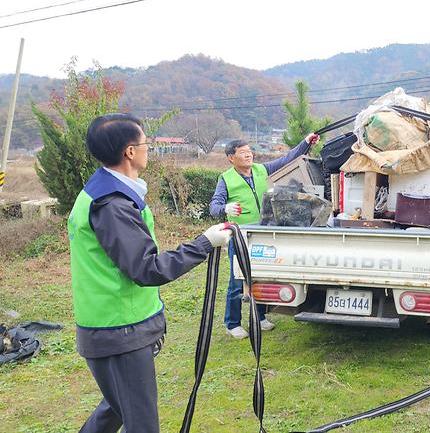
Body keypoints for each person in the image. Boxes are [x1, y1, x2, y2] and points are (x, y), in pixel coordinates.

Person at [69, 113, 232, 432]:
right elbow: (147, 268)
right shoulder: (112, 204)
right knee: (140, 420)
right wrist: (204, 243)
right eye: (146, 143)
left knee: (116, 407)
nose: (149, 149)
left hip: (110, 325)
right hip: (120, 329)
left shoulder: (105, 189)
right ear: (129, 151)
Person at [209, 133, 319, 339]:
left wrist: (305, 142)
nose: (248, 155)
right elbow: (213, 207)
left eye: (249, 152)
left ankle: (259, 317)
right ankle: (232, 323)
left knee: (260, 277)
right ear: (231, 158)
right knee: (237, 280)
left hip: (262, 234)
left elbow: (287, 159)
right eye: (243, 153)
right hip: (240, 236)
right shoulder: (225, 179)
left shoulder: (261, 170)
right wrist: (226, 207)